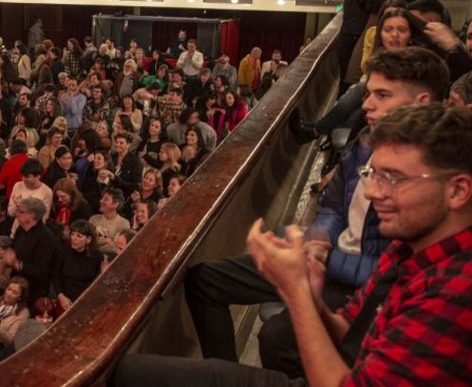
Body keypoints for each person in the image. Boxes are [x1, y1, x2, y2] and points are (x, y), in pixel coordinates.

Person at [124, 103, 472, 386]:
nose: (372, 192)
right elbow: (348, 331)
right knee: (127, 372)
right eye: (372, 174)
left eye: (393, 178)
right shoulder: (409, 247)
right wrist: (309, 293)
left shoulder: (457, 291)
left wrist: (295, 294)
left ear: (457, 190)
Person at [185, 46, 449, 375]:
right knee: (204, 279)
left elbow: (394, 270)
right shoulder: (366, 139)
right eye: (368, 93)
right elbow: (335, 205)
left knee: (275, 339)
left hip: (352, 279)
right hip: (329, 259)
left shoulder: (432, 175)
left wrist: (320, 261)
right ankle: (225, 376)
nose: (367, 104)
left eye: (382, 95)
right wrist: (317, 240)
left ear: (422, 103)